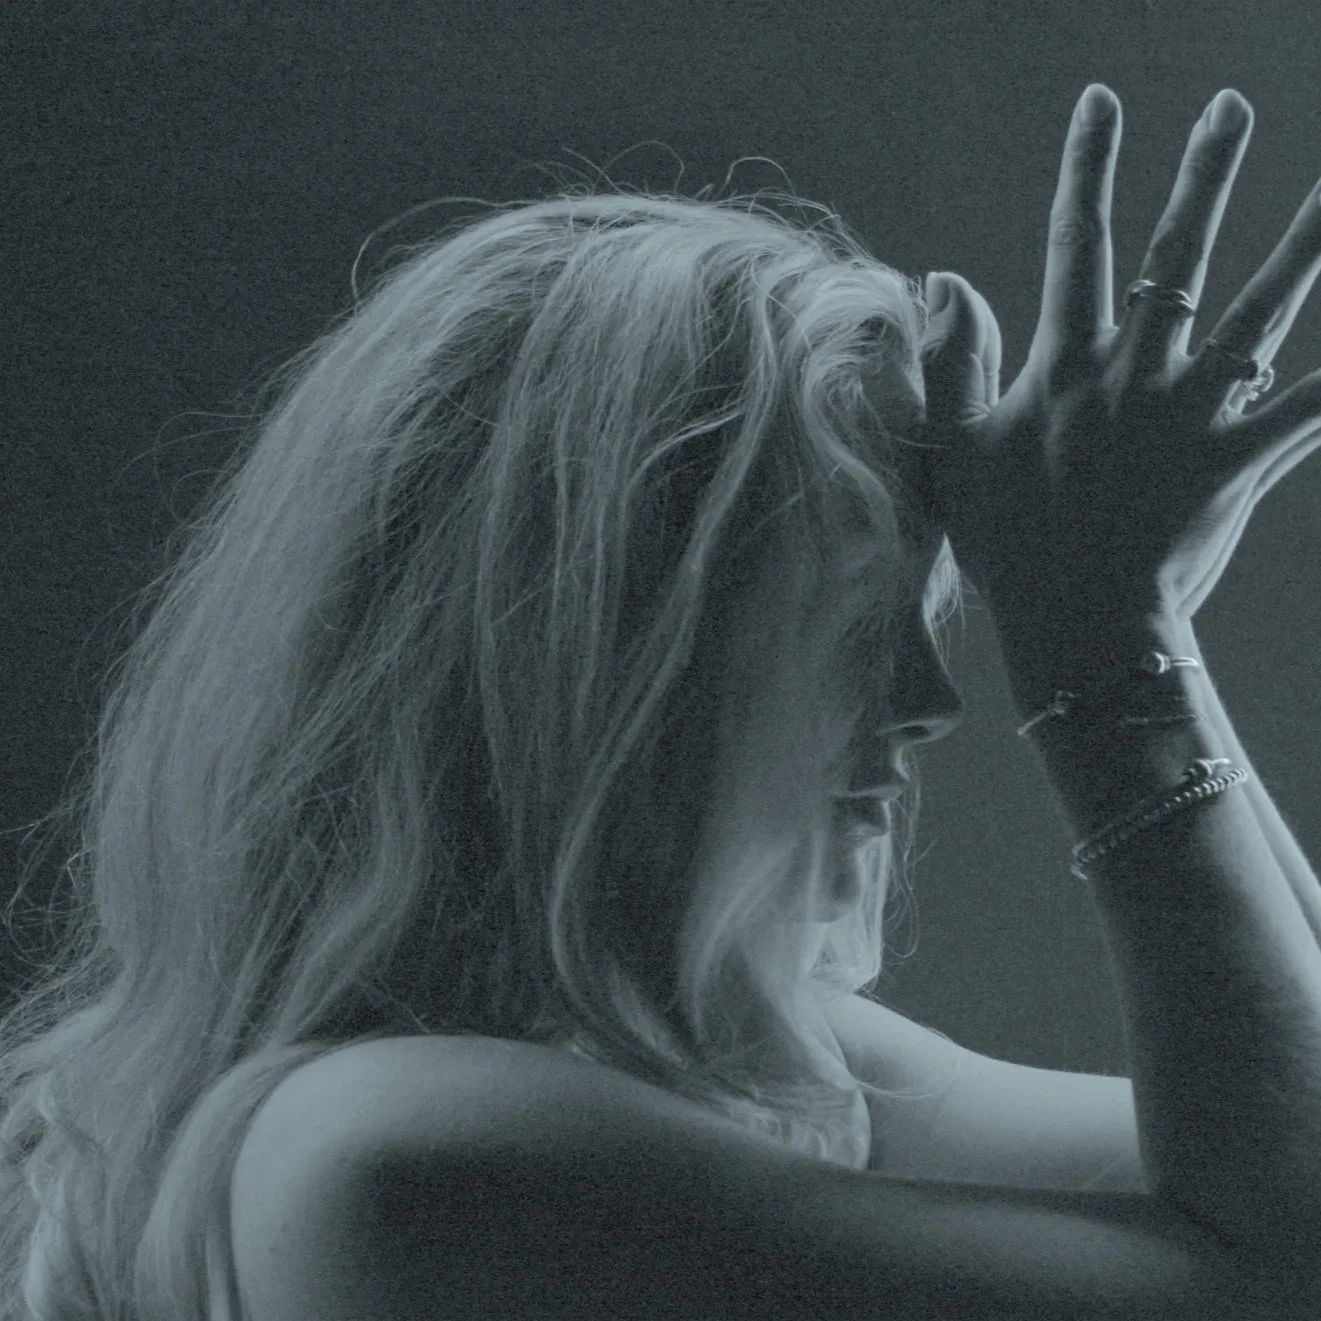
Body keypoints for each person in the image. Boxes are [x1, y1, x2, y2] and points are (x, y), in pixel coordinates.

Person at [3, 80, 1321, 1321]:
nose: (928, 700)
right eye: (854, 622)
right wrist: (1106, 660)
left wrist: (1151, 636)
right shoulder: (401, 1147)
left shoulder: (739, 1073)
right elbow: (1282, 1273)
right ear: (610, 663)